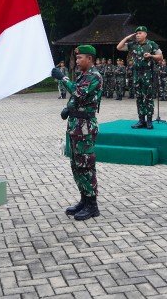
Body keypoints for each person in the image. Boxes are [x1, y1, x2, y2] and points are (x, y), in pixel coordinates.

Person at [51, 45, 102, 221]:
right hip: (76, 126)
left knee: (86, 165)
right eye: (77, 58)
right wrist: (68, 108)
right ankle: (84, 200)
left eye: (80, 58)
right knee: (76, 165)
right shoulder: (83, 75)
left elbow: (78, 92)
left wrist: (62, 77)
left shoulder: (94, 76)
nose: (77, 61)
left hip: (85, 127)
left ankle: (92, 205)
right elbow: (76, 98)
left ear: (90, 59)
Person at [117, 26, 163, 129]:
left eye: (140, 33)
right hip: (136, 74)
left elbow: (160, 56)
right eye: (136, 33)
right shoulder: (133, 44)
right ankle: (141, 120)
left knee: (148, 97)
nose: (137, 35)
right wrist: (127, 37)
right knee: (139, 98)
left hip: (148, 74)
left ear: (145, 34)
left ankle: (149, 121)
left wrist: (151, 56)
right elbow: (119, 47)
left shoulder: (151, 44)